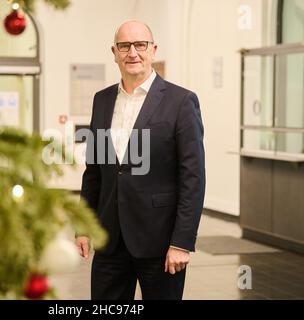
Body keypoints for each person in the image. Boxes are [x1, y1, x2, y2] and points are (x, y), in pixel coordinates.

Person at [76, 20, 205, 300]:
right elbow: (94, 172)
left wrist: (181, 243)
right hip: (110, 240)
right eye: (124, 46)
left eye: (140, 45)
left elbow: (192, 179)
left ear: (153, 49)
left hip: (160, 242)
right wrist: (83, 227)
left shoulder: (181, 101)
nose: (132, 52)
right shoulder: (102, 100)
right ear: (114, 52)